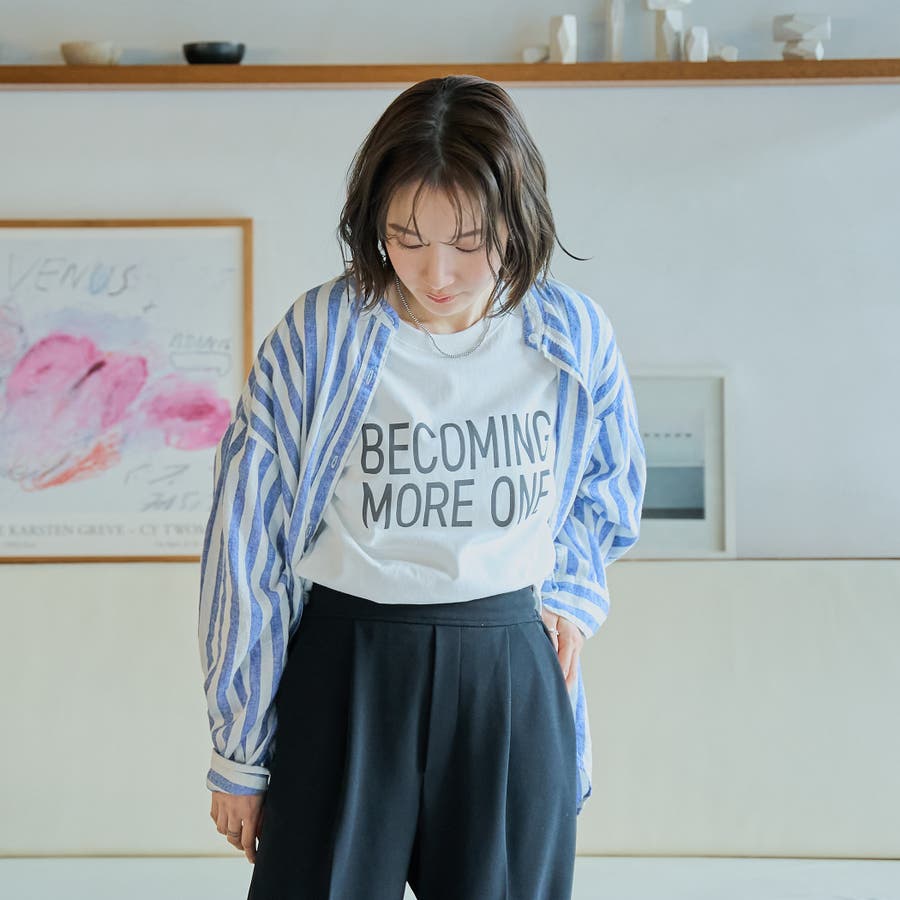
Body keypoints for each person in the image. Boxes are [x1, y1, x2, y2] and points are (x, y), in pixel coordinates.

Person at [198, 74, 646, 899]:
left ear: (517, 220)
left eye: (468, 241)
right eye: (405, 237)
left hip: (510, 667)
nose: (436, 272)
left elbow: (609, 486)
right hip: (348, 663)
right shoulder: (320, 335)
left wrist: (573, 596)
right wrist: (240, 751)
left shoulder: (572, 335)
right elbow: (245, 541)